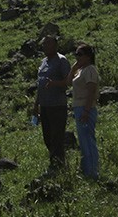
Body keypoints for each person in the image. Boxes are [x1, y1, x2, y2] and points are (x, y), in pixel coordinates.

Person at [35, 34, 71, 171]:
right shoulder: (44, 62)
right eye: (44, 44)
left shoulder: (61, 61)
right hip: (44, 106)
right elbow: (40, 84)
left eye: (48, 43)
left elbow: (68, 81)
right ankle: (55, 161)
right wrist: (35, 104)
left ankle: (58, 165)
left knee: (57, 137)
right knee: (47, 136)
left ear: (55, 45)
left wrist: (55, 83)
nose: (45, 46)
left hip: (57, 106)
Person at [71, 43, 100, 179]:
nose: (77, 57)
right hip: (78, 107)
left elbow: (91, 90)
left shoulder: (90, 70)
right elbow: (67, 81)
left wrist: (87, 110)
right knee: (83, 140)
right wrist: (74, 67)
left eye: (80, 54)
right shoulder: (80, 70)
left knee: (88, 139)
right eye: (76, 54)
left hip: (85, 107)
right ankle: (86, 169)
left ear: (88, 57)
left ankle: (92, 171)